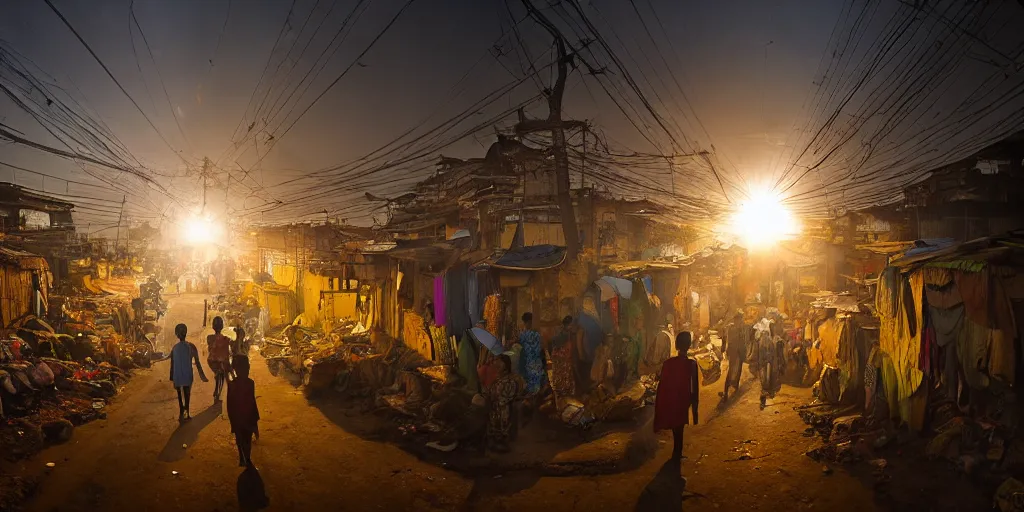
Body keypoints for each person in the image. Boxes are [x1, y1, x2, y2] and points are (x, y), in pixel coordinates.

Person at [653, 331, 700, 460]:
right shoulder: (692, 364)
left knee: (676, 427)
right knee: (680, 427)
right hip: (684, 400)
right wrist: (695, 410)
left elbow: (663, 385)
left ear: (676, 345)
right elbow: (695, 389)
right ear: (689, 345)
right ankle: (677, 453)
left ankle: (676, 453)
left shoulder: (668, 363)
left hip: (672, 399)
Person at [169, 323, 208, 421]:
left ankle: (181, 411)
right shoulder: (191, 346)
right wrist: (202, 375)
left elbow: (172, 364)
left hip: (177, 375)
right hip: (187, 375)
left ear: (177, 335)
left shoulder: (175, 348)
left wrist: (172, 377)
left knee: (179, 394)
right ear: (186, 333)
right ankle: (187, 411)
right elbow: (197, 362)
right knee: (187, 393)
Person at [227, 355, 260, 467]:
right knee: (246, 440)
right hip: (247, 418)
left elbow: (230, 406)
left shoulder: (232, 385)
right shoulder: (249, 383)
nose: (247, 370)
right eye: (245, 368)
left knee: (241, 440)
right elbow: (252, 402)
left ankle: (244, 458)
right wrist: (255, 421)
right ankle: (246, 458)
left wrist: (233, 422)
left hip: (239, 419)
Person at [487, 354, 523, 452]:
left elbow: (509, 396)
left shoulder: (510, 380)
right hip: (496, 409)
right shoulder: (499, 378)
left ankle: (502, 442)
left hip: (503, 409)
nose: (496, 365)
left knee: (502, 425)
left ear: (506, 365)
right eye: (496, 363)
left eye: (500, 363)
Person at [548, 316, 577, 408]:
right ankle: (563, 405)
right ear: (567, 325)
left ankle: (563, 404)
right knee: (564, 382)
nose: (572, 327)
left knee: (563, 382)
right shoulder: (564, 335)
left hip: (562, 361)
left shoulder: (564, 334)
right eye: (571, 325)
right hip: (563, 362)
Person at [720, 311, 748, 402]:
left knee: (738, 368)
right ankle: (726, 390)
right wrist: (723, 348)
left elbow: (743, 340)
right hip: (734, 352)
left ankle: (734, 386)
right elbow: (725, 338)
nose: (740, 321)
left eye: (740, 319)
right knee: (732, 370)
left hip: (738, 352)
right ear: (736, 319)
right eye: (739, 319)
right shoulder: (732, 328)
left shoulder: (739, 328)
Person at [207, 316, 232, 401]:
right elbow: (228, 351)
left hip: (212, 361)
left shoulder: (209, 338)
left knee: (217, 372)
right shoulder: (226, 338)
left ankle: (217, 377)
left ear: (213, 327)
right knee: (228, 374)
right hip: (222, 361)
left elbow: (209, 349)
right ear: (222, 326)